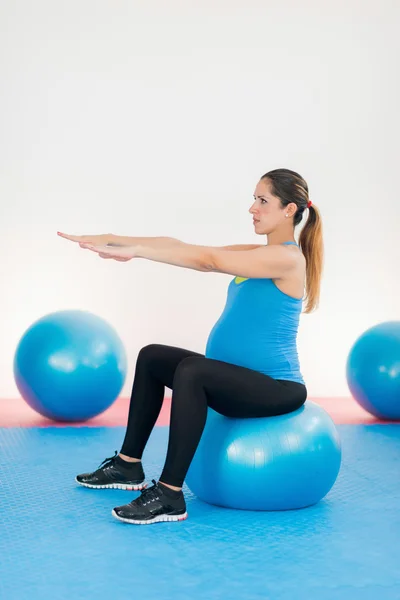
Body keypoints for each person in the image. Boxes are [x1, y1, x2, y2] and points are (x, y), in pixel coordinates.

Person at [58, 168, 323, 526]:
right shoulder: (260, 253)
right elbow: (184, 248)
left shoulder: (287, 259)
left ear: (289, 209)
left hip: (276, 388)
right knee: (152, 356)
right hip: (239, 378)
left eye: (262, 201)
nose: (252, 208)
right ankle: (128, 465)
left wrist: (135, 251)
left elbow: (207, 260)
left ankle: (169, 494)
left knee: (192, 372)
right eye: (254, 199)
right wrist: (115, 239)